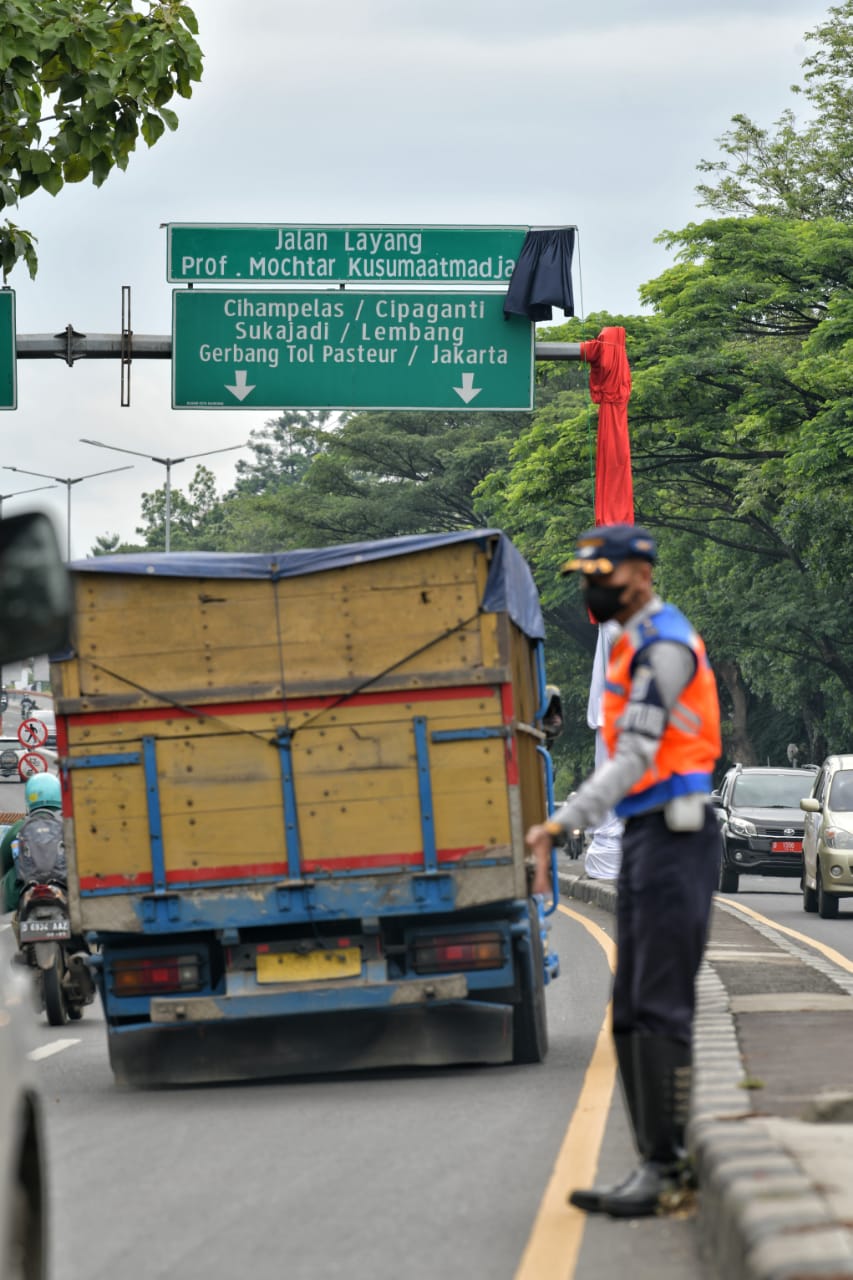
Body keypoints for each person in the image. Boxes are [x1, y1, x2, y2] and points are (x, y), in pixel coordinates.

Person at [526, 523, 722, 1219]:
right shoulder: (633, 644)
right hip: (646, 837)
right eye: (585, 575)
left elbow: (635, 755)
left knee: (660, 1007)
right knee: (632, 1013)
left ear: (639, 574)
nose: (591, 587)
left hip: (678, 839)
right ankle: (654, 1165)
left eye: (601, 574)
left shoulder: (662, 646)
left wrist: (559, 822)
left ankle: (670, 1170)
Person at [0, 772, 62, 913]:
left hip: (22, 892)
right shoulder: (67, 825)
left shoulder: (20, 827)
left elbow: (3, 860)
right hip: (64, 887)